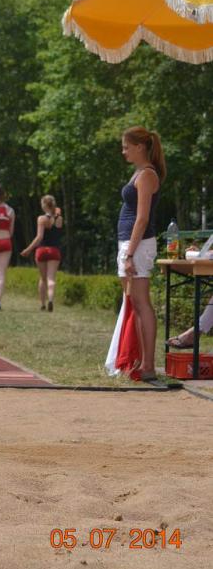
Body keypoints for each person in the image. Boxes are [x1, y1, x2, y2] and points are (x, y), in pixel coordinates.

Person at [115, 126, 166, 381]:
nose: (123, 151)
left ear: (139, 147)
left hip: (138, 244)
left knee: (141, 302)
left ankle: (147, 365)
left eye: (126, 147)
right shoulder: (139, 172)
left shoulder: (147, 174)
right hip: (130, 243)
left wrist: (129, 255)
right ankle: (135, 360)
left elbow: (142, 218)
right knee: (135, 303)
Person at [21, 195, 63, 312]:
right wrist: (57, 213)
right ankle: (51, 299)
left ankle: (42, 304)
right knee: (51, 278)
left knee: (43, 278)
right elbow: (57, 220)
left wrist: (28, 249)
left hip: (42, 250)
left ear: (44, 205)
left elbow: (39, 237)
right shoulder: (59, 219)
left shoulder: (41, 219)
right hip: (54, 250)